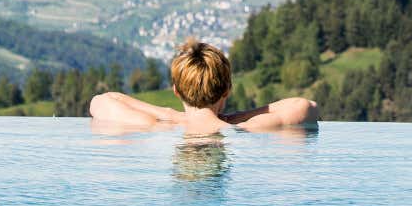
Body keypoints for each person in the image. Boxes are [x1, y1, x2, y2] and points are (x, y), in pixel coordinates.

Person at [89, 38, 318, 134]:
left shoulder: (154, 126)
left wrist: (169, 115)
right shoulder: (245, 130)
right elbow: (305, 106)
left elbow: (102, 101)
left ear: (176, 91)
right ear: (227, 90)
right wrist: (237, 117)